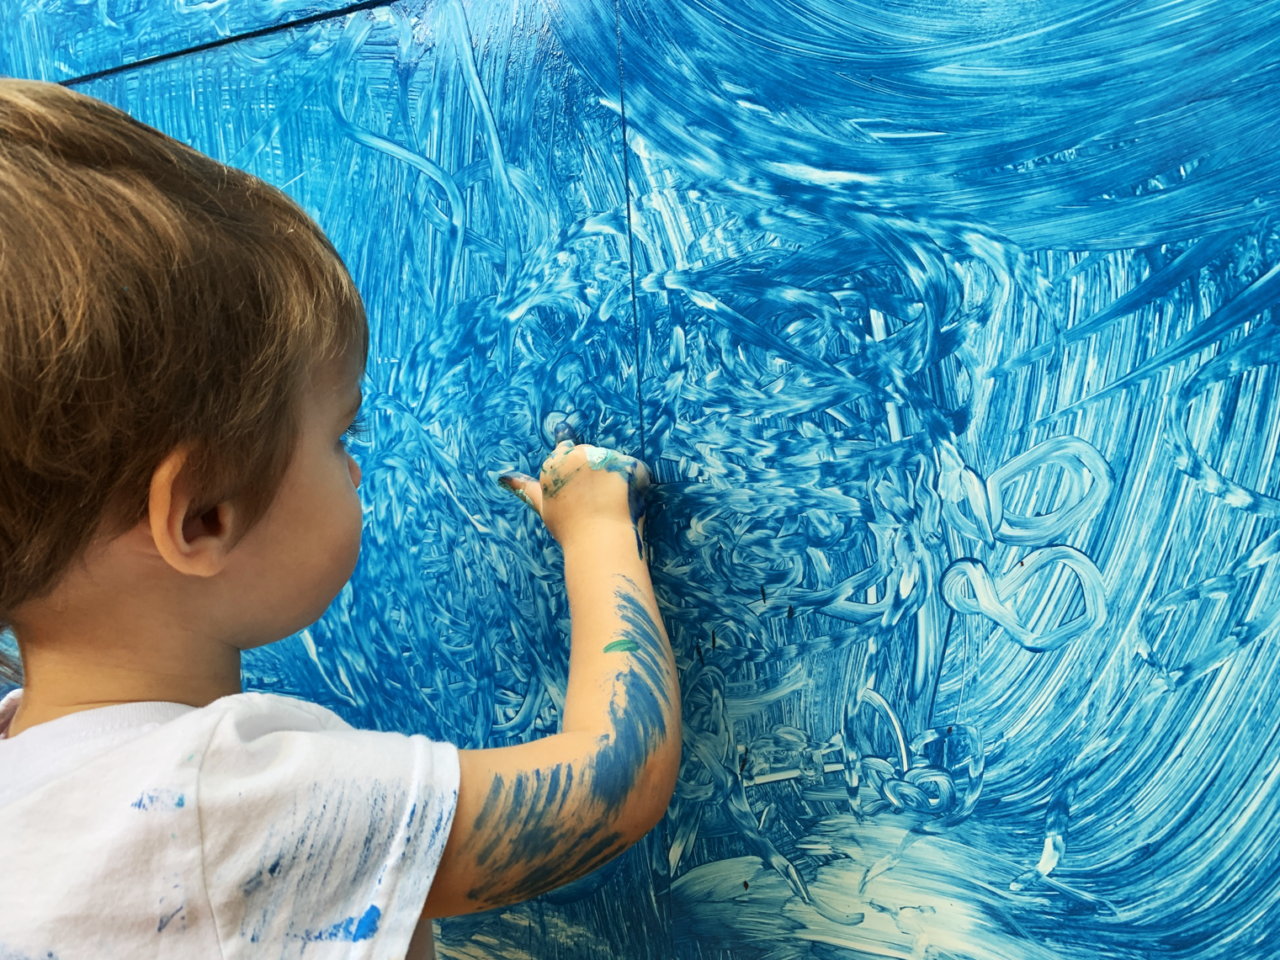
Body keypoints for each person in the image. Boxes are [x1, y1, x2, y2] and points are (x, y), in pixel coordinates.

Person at [0, 79, 680, 958]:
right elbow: (611, 782)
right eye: (338, 433)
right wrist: (597, 528)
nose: (355, 464)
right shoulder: (215, 807)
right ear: (202, 515)